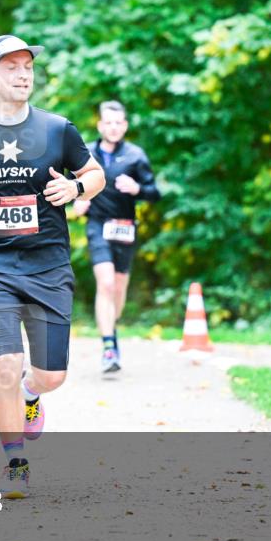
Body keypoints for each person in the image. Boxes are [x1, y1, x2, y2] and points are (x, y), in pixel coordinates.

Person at [0, 34, 105, 498]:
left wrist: (77, 190)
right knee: (5, 362)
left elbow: (94, 174)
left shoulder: (57, 130)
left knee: (50, 376)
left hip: (48, 264)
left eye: (27, 65)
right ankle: (15, 462)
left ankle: (32, 395)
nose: (23, 73)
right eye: (11, 66)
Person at [73, 101, 161, 374]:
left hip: (125, 227)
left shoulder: (136, 155)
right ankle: (109, 345)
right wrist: (77, 198)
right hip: (97, 225)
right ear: (100, 126)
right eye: (107, 122)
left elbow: (154, 192)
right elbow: (70, 183)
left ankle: (111, 326)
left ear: (124, 126)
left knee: (119, 288)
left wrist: (137, 188)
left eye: (118, 123)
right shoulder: (85, 152)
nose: (113, 127)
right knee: (107, 283)